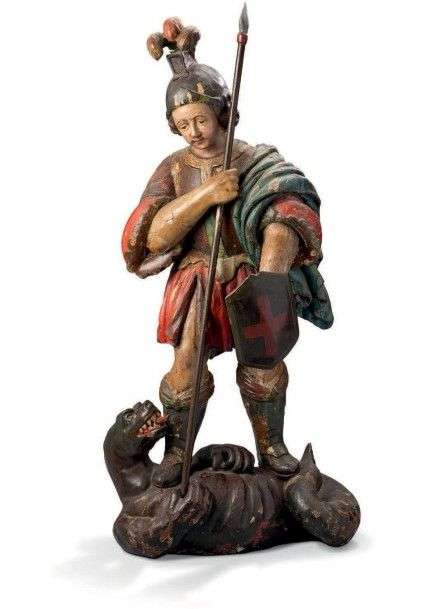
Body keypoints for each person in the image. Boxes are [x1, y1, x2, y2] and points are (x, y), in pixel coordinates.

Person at [121, 19, 333, 487]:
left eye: (201, 119)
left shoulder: (254, 159)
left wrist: (271, 269)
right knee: (186, 367)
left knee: (263, 361)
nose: (194, 132)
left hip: (249, 276)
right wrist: (206, 194)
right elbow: (150, 236)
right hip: (196, 280)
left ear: (222, 111)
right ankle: (178, 451)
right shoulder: (174, 169)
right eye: (183, 124)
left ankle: (271, 447)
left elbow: (291, 201)